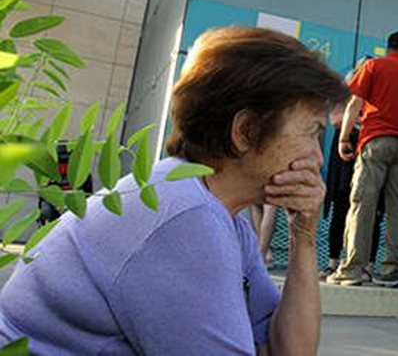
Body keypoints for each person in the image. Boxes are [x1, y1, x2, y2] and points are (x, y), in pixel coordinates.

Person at [0, 27, 349, 355]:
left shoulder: (218, 214)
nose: (318, 159)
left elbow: (288, 349)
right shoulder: (184, 218)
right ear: (245, 131)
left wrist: (304, 235)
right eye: (312, 132)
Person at [328, 31, 398, 288]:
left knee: (362, 204)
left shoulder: (374, 66)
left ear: (389, 48)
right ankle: (392, 271)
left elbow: (355, 103)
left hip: (375, 141)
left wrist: (344, 139)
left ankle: (352, 270)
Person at [322, 103, 384, 282]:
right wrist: (356, 119)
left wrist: (360, 119)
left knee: (372, 216)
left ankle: (368, 267)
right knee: (339, 214)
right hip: (345, 165)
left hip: (373, 157)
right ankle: (333, 263)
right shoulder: (348, 96)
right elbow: (335, 119)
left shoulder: (379, 101)